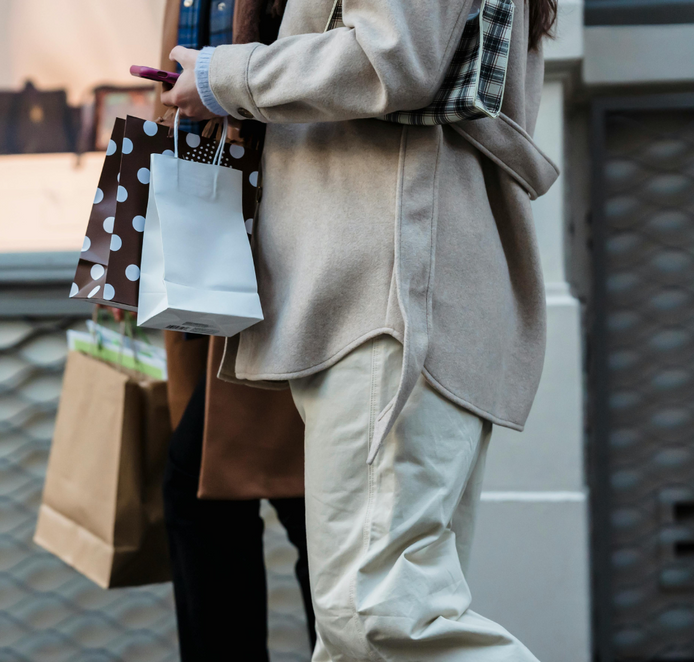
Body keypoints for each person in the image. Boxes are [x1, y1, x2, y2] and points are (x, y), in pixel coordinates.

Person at [161, 0, 561, 659]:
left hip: (389, 284)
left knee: (378, 616)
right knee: (361, 630)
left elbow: (391, 56)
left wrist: (224, 76)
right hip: (365, 282)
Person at [150, 2, 319, 659]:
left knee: (283, 490)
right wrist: (128, 239)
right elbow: (168, 84)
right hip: (208, 220)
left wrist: (222, 82)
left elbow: (356, 64)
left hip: (281, 230)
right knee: (214, 488)